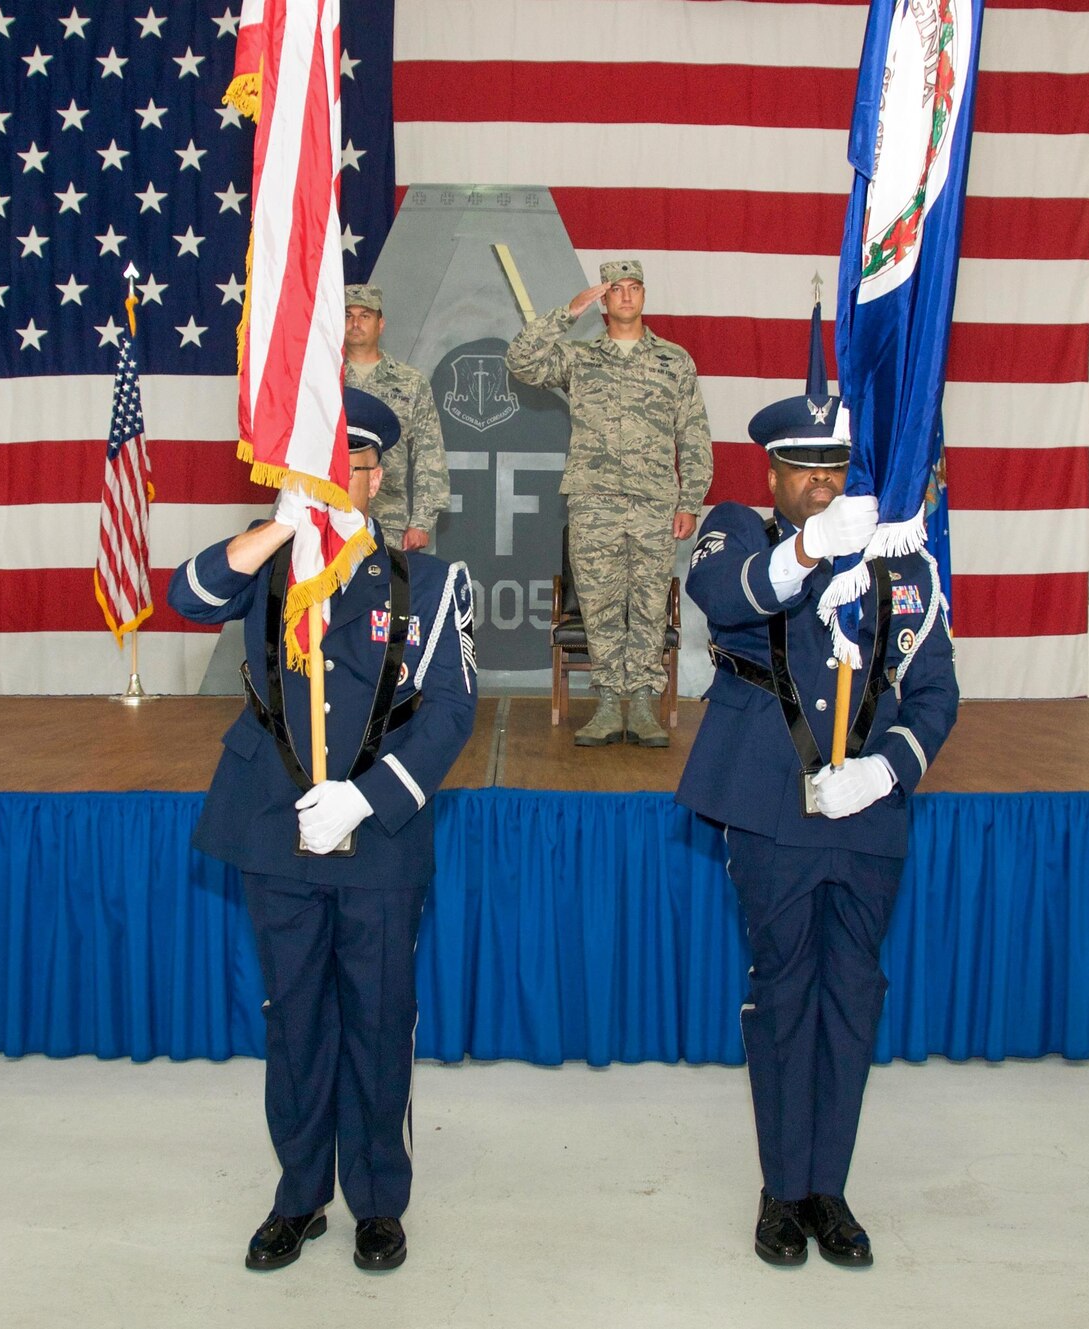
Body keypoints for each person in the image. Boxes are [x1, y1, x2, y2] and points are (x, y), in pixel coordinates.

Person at [168, 389, 477, 1273]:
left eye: (357, 468)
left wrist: (371, 796)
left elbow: (452, 711)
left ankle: (378, 1200)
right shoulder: (267, 567)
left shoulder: (431, 581)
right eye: (326, 469)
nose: (345, 482)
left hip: (377, 834)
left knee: (380, 1019)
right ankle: (299, 1194)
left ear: (378, 479)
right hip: (274, 824)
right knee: (294, 1016)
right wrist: (277, 526)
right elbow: (185, 597)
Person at [676, 366, 958, 1268]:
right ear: (771, 472)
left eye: (837, 465)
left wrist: (888, 769)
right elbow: (725, 599)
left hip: (868, 810)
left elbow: (937, 691)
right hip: (768, 799)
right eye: (803, 467)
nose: (823, 484)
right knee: (785, 993)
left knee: (853, 997)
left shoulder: (900, 553)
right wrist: (806, 553)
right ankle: (779, 1186)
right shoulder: (735, 530)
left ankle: (828, 1187)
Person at [506, 258, 712, 748]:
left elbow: (695, 435)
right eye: (615, 288)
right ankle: (604, 705)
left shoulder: (673, 361)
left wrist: (691, 500)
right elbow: (520, 360)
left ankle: (641, 704)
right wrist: (567, 313)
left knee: (646, 605)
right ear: (603, 299)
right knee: (598, 604)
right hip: (593, 502)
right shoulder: (579, 358)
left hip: (654, 503)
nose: (625, 295)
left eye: (633, 287)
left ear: (644, 295)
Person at [342, 284, 449, 551]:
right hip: (330, 512)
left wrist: (422, 521)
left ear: (381, 323)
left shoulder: (410, 382)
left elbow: (428, 454)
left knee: (386, 590)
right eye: (347, 315)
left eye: (365, 315)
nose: (355, 323)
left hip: (389, 520)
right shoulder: (320, 378)